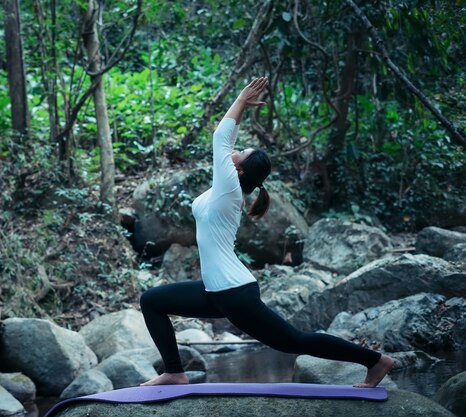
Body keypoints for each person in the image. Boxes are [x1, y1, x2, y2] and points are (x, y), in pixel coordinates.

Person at [139, 77, 394, 388]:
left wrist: (242, 101)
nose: (234, 151)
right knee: (152, 301)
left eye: (241, 152)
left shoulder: (230, 189)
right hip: (215, 291)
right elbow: (226, 144)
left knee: (293, 341)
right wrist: (243, 108)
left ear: (240, 171)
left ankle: (376, 361)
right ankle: (175, 372)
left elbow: (221, 137)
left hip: (233, 293)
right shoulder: (226, 188)